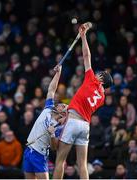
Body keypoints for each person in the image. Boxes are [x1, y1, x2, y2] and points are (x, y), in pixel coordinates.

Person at [53, 23, 113, 179]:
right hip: (85, 126)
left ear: (101, 78)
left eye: (101, 73)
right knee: (82, 165)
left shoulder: (92, 80)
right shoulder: (102, 98)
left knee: (60, 160)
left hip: (73, 122)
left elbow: (86, 56)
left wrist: (84, 36)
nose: (99, 73)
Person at [23, 66, 67, 179]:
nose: (60, 104)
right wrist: (58, 73)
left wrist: (52, 134)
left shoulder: (59, 128)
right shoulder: (48, 107)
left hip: (40, 155)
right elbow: (52, 89)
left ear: (63, 114)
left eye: (63, 106)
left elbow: (54, 147)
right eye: (61, 104)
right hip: (29, 149)